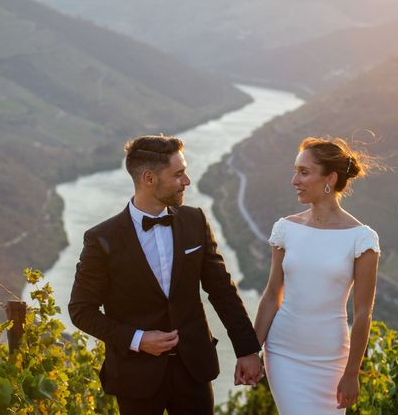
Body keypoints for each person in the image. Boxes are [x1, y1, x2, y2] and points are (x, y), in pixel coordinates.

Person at [69, 134, 262, 415]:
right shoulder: (101, 239)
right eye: (179, 174)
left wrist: (247, 350)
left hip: (194, 368)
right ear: (149, 178)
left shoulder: (195, 221)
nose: (187, 181)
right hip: (135, 377)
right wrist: (137, 339)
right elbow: (81, 310)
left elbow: (222, 289)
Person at [254, 137, 381, 414]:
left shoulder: (362, 239)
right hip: (284, 352)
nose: (294, 180)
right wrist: (251, 351)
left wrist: (351, 373)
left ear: (330, 178)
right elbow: (272, 294)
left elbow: (362, 314)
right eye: (295, 170)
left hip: (332, 359)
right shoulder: (285, 229)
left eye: (304, 172)